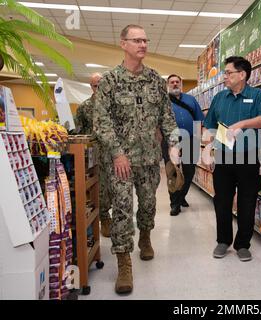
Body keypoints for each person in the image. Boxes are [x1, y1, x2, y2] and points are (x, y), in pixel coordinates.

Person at [93, 24, 179, 294]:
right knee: (120, 209)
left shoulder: (155, 80)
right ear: (123, 44)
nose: (142, 44)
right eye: (137, 40)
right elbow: (101, 121)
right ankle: (124, 263)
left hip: (150, 158)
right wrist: (117, 152)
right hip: (121, 161)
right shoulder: (110, 81)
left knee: (149, 203)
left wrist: (175, 149)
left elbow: (167, 117)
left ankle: (145, 236)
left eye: (145, 40)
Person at [203, 56, 261, 262]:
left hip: (248, 158)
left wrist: (241, 124)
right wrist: (208, 146)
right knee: (222, 201)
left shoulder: (257, 95)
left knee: (247, 202)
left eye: (228, 73)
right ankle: (223, 241)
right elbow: (210, 125)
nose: (224, 77)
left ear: (242, 75)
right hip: (223, 159)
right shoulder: (219, 98)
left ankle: (243, 244)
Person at [74, 73, 113, 238]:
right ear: (91, 86)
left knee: (114, 188)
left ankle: (110, 216)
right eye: (96, 85)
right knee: (100, 189)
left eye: (101, 84)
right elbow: (79, 133)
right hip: (94, 156)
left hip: (113, 153)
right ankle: (104, 218)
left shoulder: (114, 106)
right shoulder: (84, 107)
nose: (99, 88)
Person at [161, 74, 204, 216]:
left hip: (190, 139)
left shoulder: (191, 100)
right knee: (172, 172)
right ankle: (175, 204)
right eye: (172, 82)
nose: (174, 84)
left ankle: (181, 196)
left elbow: (198, 120)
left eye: (177, 82)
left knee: (189, 170)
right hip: (170, 140)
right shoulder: (163, 101)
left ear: (181, 84)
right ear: (168, 85)